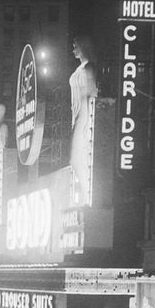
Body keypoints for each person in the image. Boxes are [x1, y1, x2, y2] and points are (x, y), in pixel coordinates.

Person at [69, 35, 98, 206]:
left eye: (75, 46)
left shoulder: (89, 67)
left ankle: (88, 195)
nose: (73, 49)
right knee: (75, 158)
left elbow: (91, 94)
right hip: (76, 114)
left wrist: (88, 122)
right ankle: (86, 194)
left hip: (84, 115)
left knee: (76, 158)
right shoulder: (80, 68)